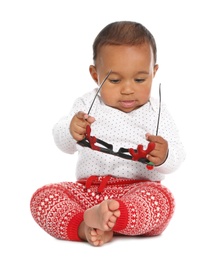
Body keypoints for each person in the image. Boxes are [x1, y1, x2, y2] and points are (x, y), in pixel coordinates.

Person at [30, 21, 185, 246]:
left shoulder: (156, 112)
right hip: (88, 193)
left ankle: (114, 218)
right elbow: (62, 144)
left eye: (140, 79)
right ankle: (85, 226)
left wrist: (165, 155)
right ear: (95, 74)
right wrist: (71, 130)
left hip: (136, 193)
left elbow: (177, 157)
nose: (128, 89)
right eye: (114, 80)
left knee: (161, 200)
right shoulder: (86, 105)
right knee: (43, 197)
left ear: (154, 72)